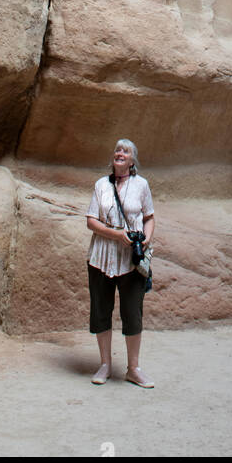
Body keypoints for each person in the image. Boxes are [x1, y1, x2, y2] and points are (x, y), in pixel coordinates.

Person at [85, 138, 155, 387]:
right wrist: (116, 235)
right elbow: (91, 221)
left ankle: (133, 368)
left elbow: (149, 217)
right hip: (102, 255)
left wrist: (145, 240)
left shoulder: (142, 185)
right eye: (117, 149)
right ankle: (105, 364)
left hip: (131, 259)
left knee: (132, 312)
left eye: (125, 151)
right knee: (101, 310)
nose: (120, 153)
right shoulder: (101, 185)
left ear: (133, 160)